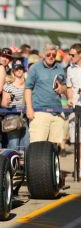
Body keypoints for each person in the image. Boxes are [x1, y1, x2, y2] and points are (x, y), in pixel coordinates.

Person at [25, 43, 66, 144]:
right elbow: (28, 88)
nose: (51, 56)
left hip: (57, 113)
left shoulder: (60, 68)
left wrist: (62, 89)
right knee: (37, 146)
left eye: (53, 54)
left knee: (55, 148)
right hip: (39, 113)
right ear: (43, 54)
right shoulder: (35, 68)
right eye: (48, 54)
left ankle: (53, 160)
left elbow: (65, 87)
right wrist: (29, 108)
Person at [1, 59, 29, 151]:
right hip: (12, 116)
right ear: (13, 70)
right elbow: (3, 104)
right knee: (13, 145)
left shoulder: (28, 84)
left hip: (25, 116)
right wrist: (7, 102)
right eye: (17, 69)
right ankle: (11, 164)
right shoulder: (8, 85)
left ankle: (23, 165)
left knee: (26, 145)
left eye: (21, 68)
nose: (19, 70)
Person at [66, 43, 81, 177]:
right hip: (76, 107)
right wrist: (70, 98)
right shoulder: (70, 69)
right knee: (78, 140)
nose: (70, 57)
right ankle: (79, 168)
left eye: (73, 55)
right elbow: (69, 87)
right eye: (69, 54)